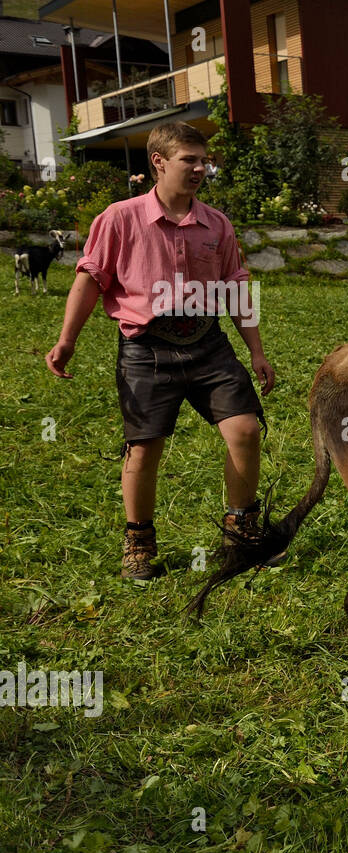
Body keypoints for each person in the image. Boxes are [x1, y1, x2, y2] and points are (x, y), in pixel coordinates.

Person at [45, 121, 275, 581]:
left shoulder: (217, 224)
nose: (199, 168)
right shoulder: (119, 218)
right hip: (145, 348)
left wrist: (255, 350)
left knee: (246, 430)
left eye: (202, 160)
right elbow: (90, 280)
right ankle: (139, 540)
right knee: (144, 449)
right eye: (189, 159)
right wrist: (67, 340)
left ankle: (241, 529)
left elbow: (234, 289)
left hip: (208, 344)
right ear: (159, 162)